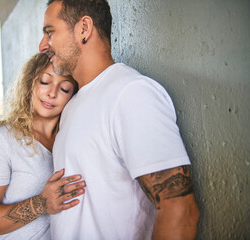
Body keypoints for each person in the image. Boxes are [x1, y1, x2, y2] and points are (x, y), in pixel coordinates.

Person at [39, 0, 200, 239]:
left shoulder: (131, 93)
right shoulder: (72, 104)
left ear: (84, 28)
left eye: (50, 32)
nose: (43, 46)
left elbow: (179, 210)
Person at [0, 53, 85, 240]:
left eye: (64, 88)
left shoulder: (71, 139)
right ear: (30, 82)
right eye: (45, 82)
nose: (52, 93)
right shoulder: (0, 140)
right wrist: (41, 203)